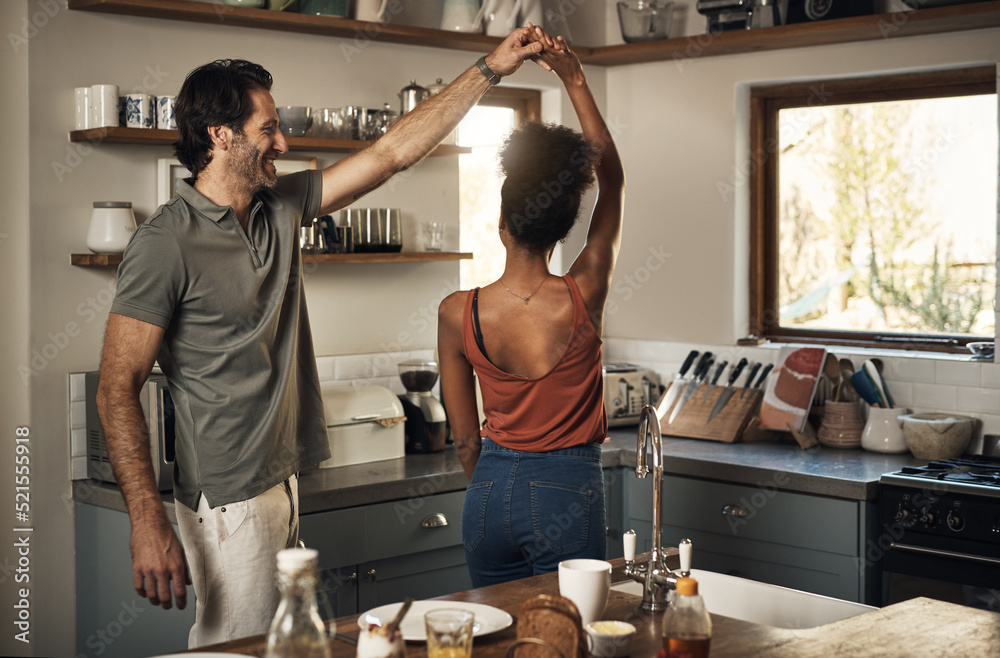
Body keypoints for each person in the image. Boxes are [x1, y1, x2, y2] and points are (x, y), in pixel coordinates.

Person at [96, 27, 554, 648]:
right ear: (220, 135)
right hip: (229, 500)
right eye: (268, 129)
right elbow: (115, 388)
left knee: (284, 646)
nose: (283, 143)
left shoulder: (279, 206)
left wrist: (490, 70)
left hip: (280, 482)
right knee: (245, 648)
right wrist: (146, 522)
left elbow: (392, 154)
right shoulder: (164, 244)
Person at [437, 34, 625, 587]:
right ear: (564, 231)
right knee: (567, 636)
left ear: (502, 224)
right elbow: (612, 179)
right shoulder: (585, 289)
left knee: (495, 637)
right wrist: (574, 79)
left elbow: (465, 440)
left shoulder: (456, 312)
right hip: (569, 489)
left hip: (487, 494)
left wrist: (492, 484)